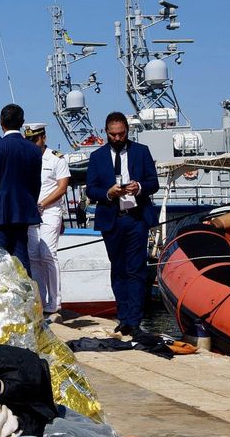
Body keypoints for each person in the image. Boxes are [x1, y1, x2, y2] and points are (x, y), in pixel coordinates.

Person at [86, 112, 159, 338]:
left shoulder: (141, 151)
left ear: (127, 131)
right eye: (113, 134)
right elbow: (91, 189)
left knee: (135, 269)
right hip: (112, 218)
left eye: (121, 134)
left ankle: (134, 320)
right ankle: (123, 317)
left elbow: (153, 183)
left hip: (136, 218)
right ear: (105, 132)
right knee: (118, 269)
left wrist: (140, 187)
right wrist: (108, 192)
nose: (117, 138)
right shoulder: (97, 156)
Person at [0, 104, 41, 273]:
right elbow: (35, 184)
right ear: (22, 122)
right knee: (21, 259)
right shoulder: (34, 149)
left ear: (2, 122)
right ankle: (27, 296)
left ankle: (4, 298)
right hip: (23, 212)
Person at [25, 122, 70, 320]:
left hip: (50, 211)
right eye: (29, 140)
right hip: (31, 212)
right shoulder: (26, 158)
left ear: (43, 137)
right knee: (33, 256)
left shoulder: (56, 159)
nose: (33, 143)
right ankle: (40, 300)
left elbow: (62, 187)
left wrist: (42, 204)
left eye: (35, 139)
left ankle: (55, 301)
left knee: (48, 254)